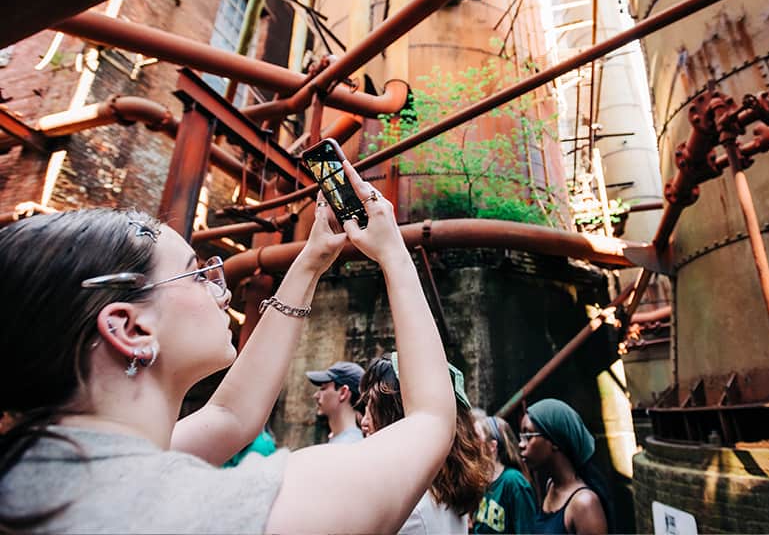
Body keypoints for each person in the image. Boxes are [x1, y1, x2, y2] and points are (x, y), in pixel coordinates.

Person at [0, 159, 456, 534]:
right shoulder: (214, 513)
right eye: (195, 273)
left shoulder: (41, 470)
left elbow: (230, 418)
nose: (219, 289)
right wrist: (393, 251)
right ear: (130, 328)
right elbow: (431, 420)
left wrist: (311, 262)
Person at [360, 352, 492, 534]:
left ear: (397, 418)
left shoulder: (406, 507)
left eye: (372, 409)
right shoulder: (441, 488)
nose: (364, 422)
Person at [520, 399, 614, 535]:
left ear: (555, 441)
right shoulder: (551, 486)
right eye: (521, 436)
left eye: (528, 436)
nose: (521, 444)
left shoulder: (584, 504)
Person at [472, 411, 538, 534]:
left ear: (492, 446)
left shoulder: (514, 482)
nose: (471, 443)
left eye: (476, 437)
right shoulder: (481, 481)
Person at [306, 360, 365, 444]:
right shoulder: (345, 439)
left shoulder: (349, 443)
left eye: (323, 388)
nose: (316, 395)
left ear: (343, 393)